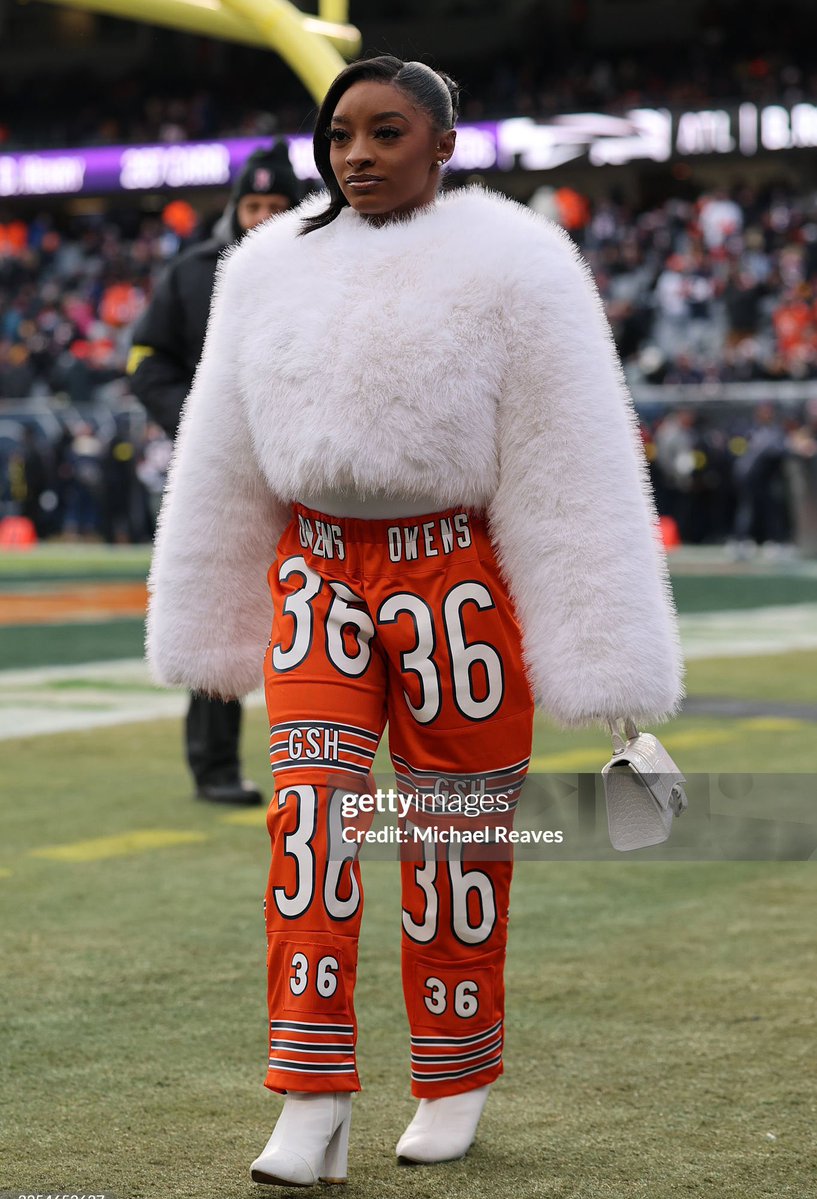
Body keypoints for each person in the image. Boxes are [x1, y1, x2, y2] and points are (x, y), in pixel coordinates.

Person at [146, 56, 683, 1185]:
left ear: (444, 141)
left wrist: (617, 676)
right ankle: (311, 1088)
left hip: (459, 582)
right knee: (308, 828)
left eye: (386, 132)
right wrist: (205, 613)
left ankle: (452, 1071)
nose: (355, 154)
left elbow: (569, 465)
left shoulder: (521, 264)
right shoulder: (263, 268)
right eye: (340, 133)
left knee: (453, 844)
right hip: (316, 576)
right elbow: (223, 455)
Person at [130, 142, 302, 806]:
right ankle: (215, 766)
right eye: (253, 204)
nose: (263, 216)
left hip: (309, 468)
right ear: (236, 208)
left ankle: (336, 760)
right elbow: (146, 361)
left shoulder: (330, 268)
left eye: (275, 205)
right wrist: (202, 428)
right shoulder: (193, 272)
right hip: (224, 473)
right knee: (221, 612)